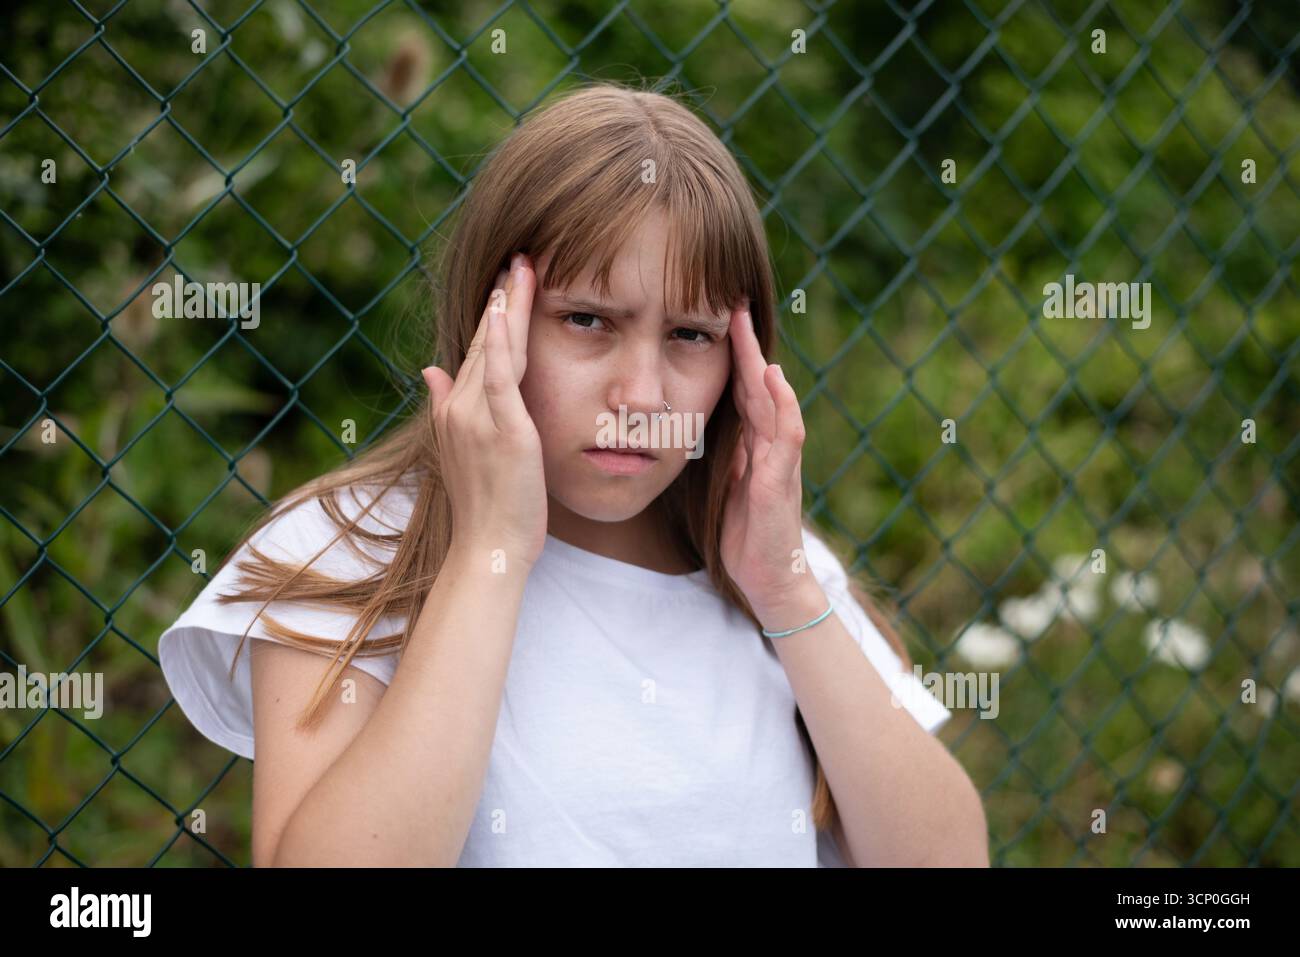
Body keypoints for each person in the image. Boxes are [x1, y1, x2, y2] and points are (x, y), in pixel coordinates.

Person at [158, 80, 988, 867]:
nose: (641, 394)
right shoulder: (346, 551)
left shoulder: (771, 570)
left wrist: (787, 590)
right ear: (493, 317)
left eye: (689, 335)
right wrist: (491, 551)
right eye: (588, 320)